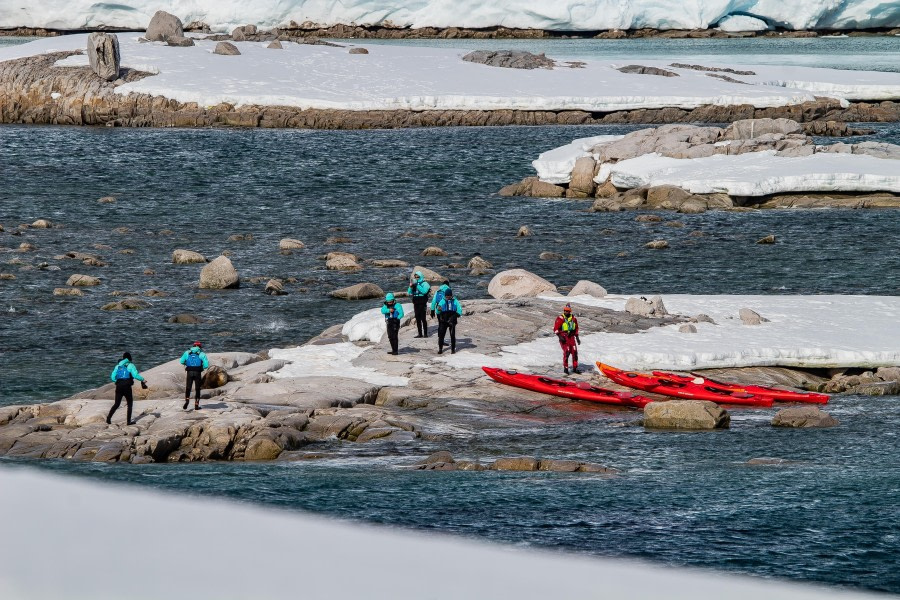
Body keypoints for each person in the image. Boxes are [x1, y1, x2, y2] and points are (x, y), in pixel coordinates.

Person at [107, 352, 147, 426]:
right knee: (130, 404)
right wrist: (142, 379)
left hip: (119, 386)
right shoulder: (131, 365)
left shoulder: (118, 366)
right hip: (127, 387)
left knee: (116, 404)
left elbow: (112, 377)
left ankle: (108, 418)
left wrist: (119, 381)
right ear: (129, 358)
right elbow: (135, 375)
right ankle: (128, 422)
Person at [179, 341, 209, 410]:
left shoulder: (187, 352)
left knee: (188, 387)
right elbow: (206, 365)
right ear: (200, 347)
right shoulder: (202, 354)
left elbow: (181, 361)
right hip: (197, 372)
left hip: (189, 372)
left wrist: (187, 363)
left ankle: (187, 401)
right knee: (197, 388)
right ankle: (196, 404)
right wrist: (202, 367)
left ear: (193, 346)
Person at [553, 303, 581, 374]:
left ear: (570, 311)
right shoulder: (560, 318)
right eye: (565, 311)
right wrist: (559, 336)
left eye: (567, 311)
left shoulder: (573, 318)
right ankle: (566, 368)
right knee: (567, 352)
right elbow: (556, 329)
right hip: (564, 337)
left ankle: (575, 368)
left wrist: (577, 337)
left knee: (574, 352)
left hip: (571, 337)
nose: (566, 312)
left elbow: (576, 328)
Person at [435, 288, 463, 355]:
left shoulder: (455, 301)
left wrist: (455, 315)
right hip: (443, 320)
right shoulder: (442, 301)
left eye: (449, 296)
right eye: (446, 296)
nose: (447, 297)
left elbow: (459, 310)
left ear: (451, 295)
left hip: (452, 320)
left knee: (452, 335)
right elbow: (437, 311)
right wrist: (438, 309)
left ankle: (453, 349)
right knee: (441, 335)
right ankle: (440, 349)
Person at [407, 271, 431, 338]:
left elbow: (424, 291)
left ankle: (425, 334)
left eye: (418, 277)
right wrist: (410, 286)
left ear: (421, 276)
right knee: (417, 319)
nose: (416, 278)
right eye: (415, 277)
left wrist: (417, 285)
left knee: (423, 318)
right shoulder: (414, 284)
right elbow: (409, 293)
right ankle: (420, 334)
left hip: (422, 303)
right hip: (416, 303)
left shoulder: (425, 284)